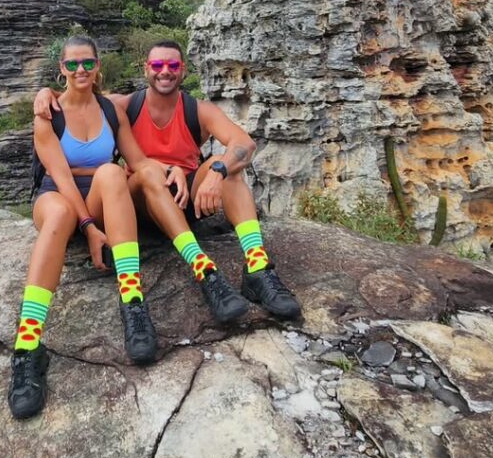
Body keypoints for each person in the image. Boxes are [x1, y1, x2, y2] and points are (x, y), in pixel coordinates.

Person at [34, 39, 300, 324]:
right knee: (148, 175)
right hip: (140, 202)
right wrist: (46, 92)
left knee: (227, 167)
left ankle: (257, 266)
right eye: (157, 65)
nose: (165, 71)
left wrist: (216, 173)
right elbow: (79, 96)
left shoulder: (198, 110)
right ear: (146, 69)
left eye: (172, 65)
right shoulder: (125, 106)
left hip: (185, 197)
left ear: (183, 70)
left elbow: (244, 144)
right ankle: (202, 268)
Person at [9, 35, 161, 420]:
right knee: (60, 215)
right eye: (72, 64)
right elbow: (60, 176)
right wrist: (90, 227)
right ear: (61, 69)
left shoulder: (111, 109)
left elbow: (137, 160)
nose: (81, 70)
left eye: (88, 63)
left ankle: (133, 302)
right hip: (56, 194)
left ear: (98, 67)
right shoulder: (48, 115)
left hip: (97, 193)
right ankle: (28, 346)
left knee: (112, 171)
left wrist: (170, 172)